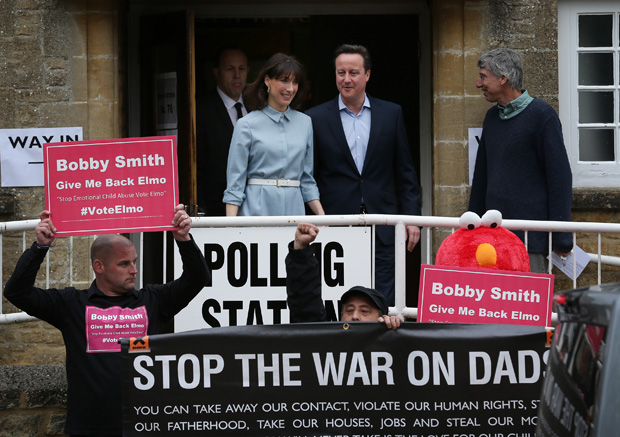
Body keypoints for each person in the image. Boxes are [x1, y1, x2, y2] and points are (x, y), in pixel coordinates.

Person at [4, 205, 210, 436]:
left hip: (145, 424)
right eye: (124, 264)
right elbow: (17, 293)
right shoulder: (71, 304)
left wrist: (183, 239)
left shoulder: (153, 300)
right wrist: (41, 246)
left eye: (134, 261)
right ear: (98, 266)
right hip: (91, 427)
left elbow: (197, 278)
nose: (134, 270)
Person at [306, 44, 421, 306]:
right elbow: (309, 174)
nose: (346, 79)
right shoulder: (314, 118)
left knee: (384, 302)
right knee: (338, 299)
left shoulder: (392, 113)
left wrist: (413, 219)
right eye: (341, 72)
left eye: (354, 72)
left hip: (384, 225)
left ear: (367, 75)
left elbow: (405, 172)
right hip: (335, 225)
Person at [468, 47, 573, 273]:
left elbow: (559, 177)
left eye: (483, 76)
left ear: (503, 78)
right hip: (492, 238)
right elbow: (481, 176)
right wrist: (472, 228)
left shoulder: (542, 115)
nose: (479, 84)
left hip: (530, 239)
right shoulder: (492, 117)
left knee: (530, 305)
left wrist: (562, 237)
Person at [223, 53, 325, 217]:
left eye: (295, 82)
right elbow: (235, 182)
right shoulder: (246, 124)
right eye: (284, 80)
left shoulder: (305, 123)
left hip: (294, 210)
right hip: (256, 209)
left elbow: (307, 179)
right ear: (267, 80)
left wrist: (322, 218)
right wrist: (231, 227)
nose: (290, 88)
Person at [286, 223, 402, 330]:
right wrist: (301, 251)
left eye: (364, 311)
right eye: (349, 310)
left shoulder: (390, 342)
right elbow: (306, 305)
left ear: (381, 317)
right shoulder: (325, 343)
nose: (355, 316)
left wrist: (393, 332)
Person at [196, 47, 249, 216]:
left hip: (254, 207)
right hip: (216, 209)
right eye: (229, 69)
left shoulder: (257, 106)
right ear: (217, 73)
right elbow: (197, 166)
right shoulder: (201, 110)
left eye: (241, 69)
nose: (237, 75)